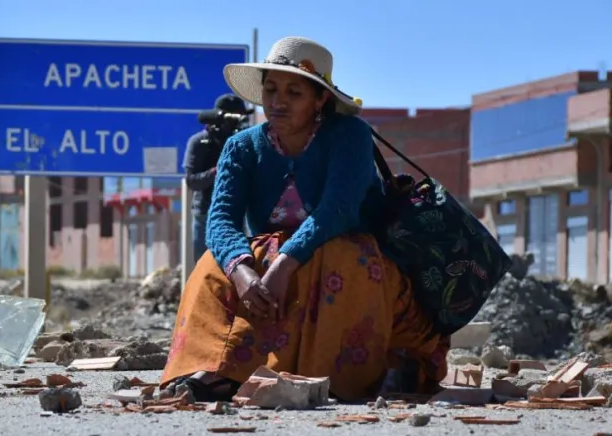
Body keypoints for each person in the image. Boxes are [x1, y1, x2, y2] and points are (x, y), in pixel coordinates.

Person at [160, 37, 449, 402]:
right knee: (213, 267)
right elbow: (220, 221)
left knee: (337, 258)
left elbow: (337, 210)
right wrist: (243, 273)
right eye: (270, 90)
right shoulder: (241, 147)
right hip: (274, 256)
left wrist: (284, 265)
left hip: (345, 248)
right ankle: (218, 369)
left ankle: (334, 376)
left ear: (320, 99)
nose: (278, 102)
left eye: (294, 93)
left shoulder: (349, 136)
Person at [183, 94, 249, 259]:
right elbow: (192, 181)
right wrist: (218, 171)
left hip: (237, 214)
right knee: (205, 265)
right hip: (205, 214)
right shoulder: (200, 142)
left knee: (237, 263)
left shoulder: (243, 141)